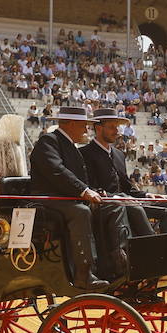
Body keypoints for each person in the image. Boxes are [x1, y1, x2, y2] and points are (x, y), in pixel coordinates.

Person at [28, 104, 110, 289]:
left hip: (65, 198)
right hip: (46, 200)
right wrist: (84, 191)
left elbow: (77, 176)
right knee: (80, 212)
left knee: (105, 208)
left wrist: (91, 190)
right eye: (84, 125)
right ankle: (83, 273)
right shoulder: (48, 141)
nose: (86, 129)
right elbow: (56, 170)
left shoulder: (69, 145)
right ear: (72, 123)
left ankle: (108, 264)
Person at [82, 107, 167, 237]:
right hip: (106, 206)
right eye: (112, 127)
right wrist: (117, 198)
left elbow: (127, 187)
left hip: (128, 202)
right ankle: (153, 245)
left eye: (117, 127)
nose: (117, 131)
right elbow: (89, 187)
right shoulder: (84, 153)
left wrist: (146, 195)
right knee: (135, 208)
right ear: (98, 128)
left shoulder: (119, 154)